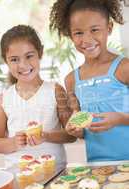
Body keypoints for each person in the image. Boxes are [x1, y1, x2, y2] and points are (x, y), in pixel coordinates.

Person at [50, 0, 129, 162]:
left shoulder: (124, 68)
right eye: (78, 33)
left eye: (94, 30)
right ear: (70, 35)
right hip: (97, 165)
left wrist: (119, 119)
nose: (87, 39)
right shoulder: (71, 79)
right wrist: (75, 129)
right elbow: (80, 121)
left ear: (109, 28)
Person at [0, 24, 76, 167]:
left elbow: (71, 134)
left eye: (29, 56)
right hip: (17, 175)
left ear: (40, 53)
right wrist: (13, 142)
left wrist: (46, 136)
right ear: (6, 61)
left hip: (55, 174)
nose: (23, 65)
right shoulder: (3, 99)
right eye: (14, 59)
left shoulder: (55, 91)